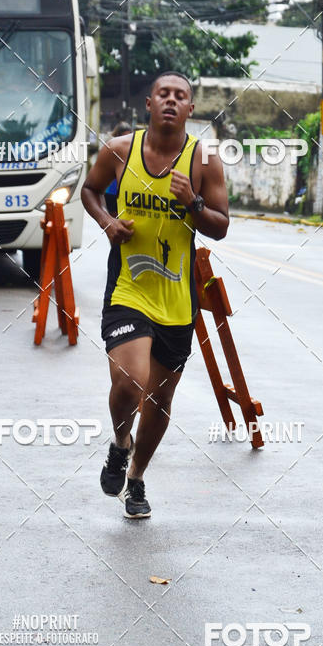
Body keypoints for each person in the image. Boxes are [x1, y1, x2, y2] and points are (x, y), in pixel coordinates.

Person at [81, 71, 229, 518]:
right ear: (149, 103)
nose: (170, 100)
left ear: (189, 110)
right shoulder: (120, 151)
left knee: (160, 399)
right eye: (163, 93)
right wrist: (108, 223)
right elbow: (89, 191)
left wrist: (194, 204)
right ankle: (120, 443)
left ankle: (136, 478)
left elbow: (220, 227)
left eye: (180, 96)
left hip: (177, 300)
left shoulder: (204, 163)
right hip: (128, 287)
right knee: (129, 382)